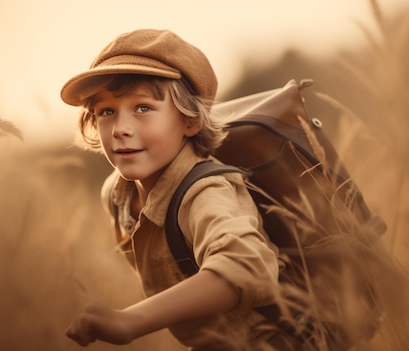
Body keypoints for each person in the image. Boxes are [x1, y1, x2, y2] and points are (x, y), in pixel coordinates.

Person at [60, 29, 284, 350]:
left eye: (143, 108)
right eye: (106, 111)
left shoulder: (205, 192)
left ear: (190, 121)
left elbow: (248, 267)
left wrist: (130, 321)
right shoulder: (117, 195)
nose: (121, 129)